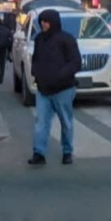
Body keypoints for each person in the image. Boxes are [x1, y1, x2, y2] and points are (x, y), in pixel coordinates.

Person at [28, 9, 80, 166]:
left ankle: (67, 152)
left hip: (63, 89)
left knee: (66, 122)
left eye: (46, 21)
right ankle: (39, 153)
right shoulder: (39, 40)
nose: (43, 24)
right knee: (41, 122)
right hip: (44, 89)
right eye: (41, 21)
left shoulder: (67, 40)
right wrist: (36, 73)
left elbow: (76, 62)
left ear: (53, 22)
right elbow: (36, 59)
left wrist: (60, 75)